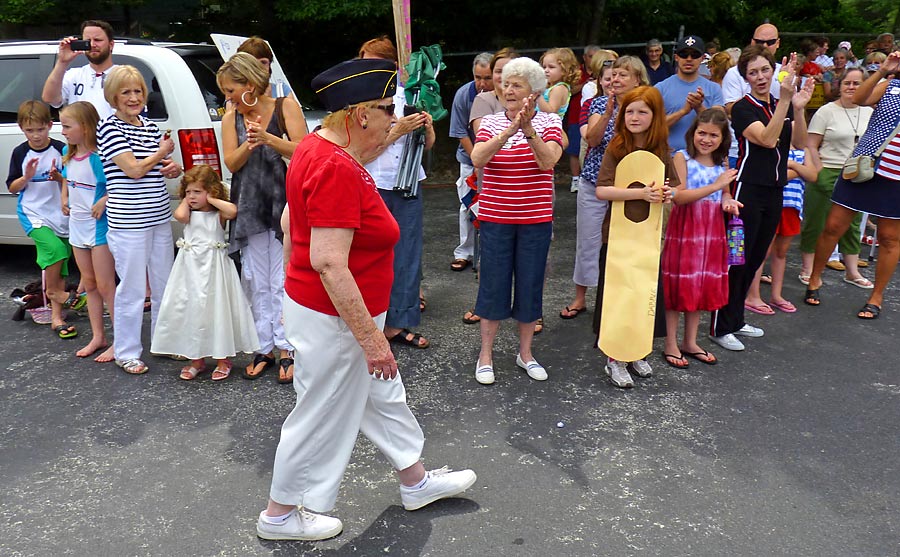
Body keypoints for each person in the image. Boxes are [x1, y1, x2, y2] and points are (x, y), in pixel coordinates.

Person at [257, 58, 476, 541]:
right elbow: (330, 261)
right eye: (385, 111)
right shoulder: (335, 167)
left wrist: (394, 136)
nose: (390, 121)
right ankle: (280, 514)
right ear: (359, 115)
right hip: (335, 314)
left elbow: (295, 224)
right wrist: (373, 340)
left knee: (379, 396)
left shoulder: (318, 147)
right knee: (321, 410)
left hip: (325, 308)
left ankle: (415, 481)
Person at [708, 47, 813, 352]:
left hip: (774, 191)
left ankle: (736, 319)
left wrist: (799, 108)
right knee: (736, 259)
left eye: (765, 70)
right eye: (752, 73)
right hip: (747, 192)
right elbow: (767, 139)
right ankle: (719, 325)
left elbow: (799, 142)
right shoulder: (743, 108)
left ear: (773, 71)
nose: (760, 77)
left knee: (754, 260)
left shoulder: (780, 105)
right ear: (745, 78)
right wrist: (783, 101)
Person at [470, 57, 564, 385]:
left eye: (517, 85)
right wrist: (509, 130)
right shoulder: (492, 123)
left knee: (529, 286)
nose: (508, 90)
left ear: (535, 91)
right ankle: (486, 356)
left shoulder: (551, 122)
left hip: (535, 220)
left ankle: (525, 354)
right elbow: (477, 158)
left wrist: (529, 132)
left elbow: (549, 161)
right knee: (492, 286)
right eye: (506, 84)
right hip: (496, 218)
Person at [218, 52, 306, 383]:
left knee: (283, 277)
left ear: (251, 84)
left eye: (230, 90)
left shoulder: (285, 107)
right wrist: (250, 144)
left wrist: (268, 138)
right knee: (256, 280)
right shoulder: (231, 119)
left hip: (284, 201)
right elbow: (231, 163)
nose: (228, 98)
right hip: (251, 202)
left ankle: (288, 348)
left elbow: (303, 150)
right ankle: (263, 346)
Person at [98, 65, 183, 374]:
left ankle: (164, 341)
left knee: (163, 284)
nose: (133, 98)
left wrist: (170, 167)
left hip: (158, 214)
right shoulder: (108, 127)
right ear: (113, 96)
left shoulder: (148, 125)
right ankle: (127, 352)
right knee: (132, 288)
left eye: (138, 91)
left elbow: (161, 165)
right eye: (126, 92)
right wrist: (161, 155)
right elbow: (133, 169)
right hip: (128, 221)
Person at [805, 51, 900, 319]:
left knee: (890, 238)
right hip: (864, 165)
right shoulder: (891, 85)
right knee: (833, 225)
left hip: (897, 176)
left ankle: (876, 297)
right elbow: (859, 99)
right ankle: (814, 278)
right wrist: (884, 70)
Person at [593, 86, 677, 388]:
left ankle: (637, 351)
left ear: (655, 116)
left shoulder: (661, 150)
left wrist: (668, 193)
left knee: (644, 294)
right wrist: (638, 193)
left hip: (649, 236)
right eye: (629, 111)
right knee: (619, 294)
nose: (635, 117)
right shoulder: (616, 147)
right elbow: (602, 190)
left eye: (642, 111)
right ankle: (614, 357)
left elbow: (674, 189)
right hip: (618, 236)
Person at [359, 36, 436, 350]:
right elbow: (362, 150)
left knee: (406, 254)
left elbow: (426, 146)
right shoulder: (359, 102)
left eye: (373, 63)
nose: (367, 69)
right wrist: (397, 131)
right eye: (363, 63)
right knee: (370, 255)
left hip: (406, 184)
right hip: (372, 184)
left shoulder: (410, 96)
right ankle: (368, 322)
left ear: (392, 66)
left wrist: (427, 128)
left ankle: (397, 323)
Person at [151, 165, 259, 381]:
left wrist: (212, 199)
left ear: (210, 191)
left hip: (214, 268)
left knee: (216, 309)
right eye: (188, 191)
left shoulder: (218, 213)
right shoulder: (188, 212)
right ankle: (196, 358)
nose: (192, 197)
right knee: (191, 309)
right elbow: (180, 215)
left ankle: (222, 358)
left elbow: (232, 211)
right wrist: (187, 199)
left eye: (197, 192)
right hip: (189, 269)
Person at [560, 56, 649, 320]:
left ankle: (619, 296)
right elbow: (592, 138)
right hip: (595, 180)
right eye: (614, 74)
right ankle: (580, 297)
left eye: (623, 75)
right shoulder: (596, 103)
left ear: (638, 80)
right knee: (588, 240)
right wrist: (610, 112)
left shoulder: (647, 105)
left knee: (626, 244)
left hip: (633, 186)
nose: (616, 79)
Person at [662, 109, 739, 369]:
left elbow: (725, 194)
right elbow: (679, 196)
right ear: (692, 133)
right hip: (686, 229)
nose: (706, 139)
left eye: (713, 135)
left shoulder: (722, 164)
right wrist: (717, 187)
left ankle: (690, 341)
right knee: (678, 286)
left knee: (699, 285)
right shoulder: (681, 157)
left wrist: (729, 201)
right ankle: (671, 342)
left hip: (711, 232)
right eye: (701, 133)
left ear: (723, 138)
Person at [460, 47, 519, 327]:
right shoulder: (482, 101)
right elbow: (485, 146)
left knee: (531, 254)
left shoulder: (537, 102)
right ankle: (485, 304)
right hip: (493, 185)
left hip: (529, 189)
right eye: (499, 72)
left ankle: (529, 309)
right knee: (489, 249)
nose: (503, 78)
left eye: (511, 73)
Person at [6, 100, 74, 339]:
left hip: (60, 212)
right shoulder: (20, 153)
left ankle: (56, 317)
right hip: (32, 212)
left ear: (50, 125)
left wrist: (58, 178)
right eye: (29, 131)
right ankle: (55, 294)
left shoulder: (61, 149)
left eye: (40, 129)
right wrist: (27, 177)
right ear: (22, 129)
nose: (35, 136)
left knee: (62, 264)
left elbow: (72, 181)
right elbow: (13, 187)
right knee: (55, 250)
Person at [800, 67, 874, 287]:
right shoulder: (826, 111)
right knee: (817, 220)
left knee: (853, 223)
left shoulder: (870, 112)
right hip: (828, 170)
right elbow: (811, 144)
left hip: (858, 173)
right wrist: (819, 169)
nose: (851, 87)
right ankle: (808, 268)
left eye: (857, 83)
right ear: (839, 86)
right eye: (847, 83)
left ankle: (852, 271)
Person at [57, 101, 116, 361]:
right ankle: (98, 336)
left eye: (67, 126)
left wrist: (104, 200)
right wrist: (64, 197)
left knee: (106, 286)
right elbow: (67, 181)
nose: (63, 131)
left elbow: (117, 184)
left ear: (85, 127)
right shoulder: (67, 155)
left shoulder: (99, 158)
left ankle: (120, 339)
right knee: (89, 284)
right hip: (77, 227)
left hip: (99, 229)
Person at [449, 52, 493, 272]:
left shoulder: (503, 95)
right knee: (467, 205)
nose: (482, 83)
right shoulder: (463, 95)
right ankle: (464, 252)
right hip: (469, 156)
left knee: (493, 208)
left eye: (487, 77)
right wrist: (478, 159)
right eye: (478, 77)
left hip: (498, 160)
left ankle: (489, 253)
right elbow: (459, 132)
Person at [722, 23, 783, 166]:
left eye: (771, 42)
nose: (765, 46)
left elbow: (793, 119)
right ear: (752, 42)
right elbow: (732, 110)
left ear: (778, 43)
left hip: (778, 151)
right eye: (760, 42)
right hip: (739, 150)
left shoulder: (783, 71)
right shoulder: (734, 73)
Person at [655, 35, 725, 152]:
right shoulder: (660, 88)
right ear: (676, 57)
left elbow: (720, 126)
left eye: (694, 55)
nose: (689, 59)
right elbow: (653, 126)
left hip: (703, 157)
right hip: (669, 156)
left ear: (702, 58)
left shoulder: (714, 88)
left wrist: (699, 107)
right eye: (684, 54)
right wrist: (683, 112)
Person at [42, 20, 117, 119]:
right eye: (87, 41)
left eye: (98, 40)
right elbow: (49, 98)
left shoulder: (122, 75)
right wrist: (62, 62)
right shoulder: (73, 75)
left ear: (111, 44)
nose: (92, 45)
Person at [564, 45, 601, 192]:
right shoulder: (577, 72)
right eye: (591, 56)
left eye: (596, 56)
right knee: (574, 148)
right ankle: (575, 179)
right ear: (585, 58)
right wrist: (585, 84)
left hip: (593, 118)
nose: (593, 59)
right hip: (576, 114)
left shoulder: (603, 72)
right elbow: (569, 90)